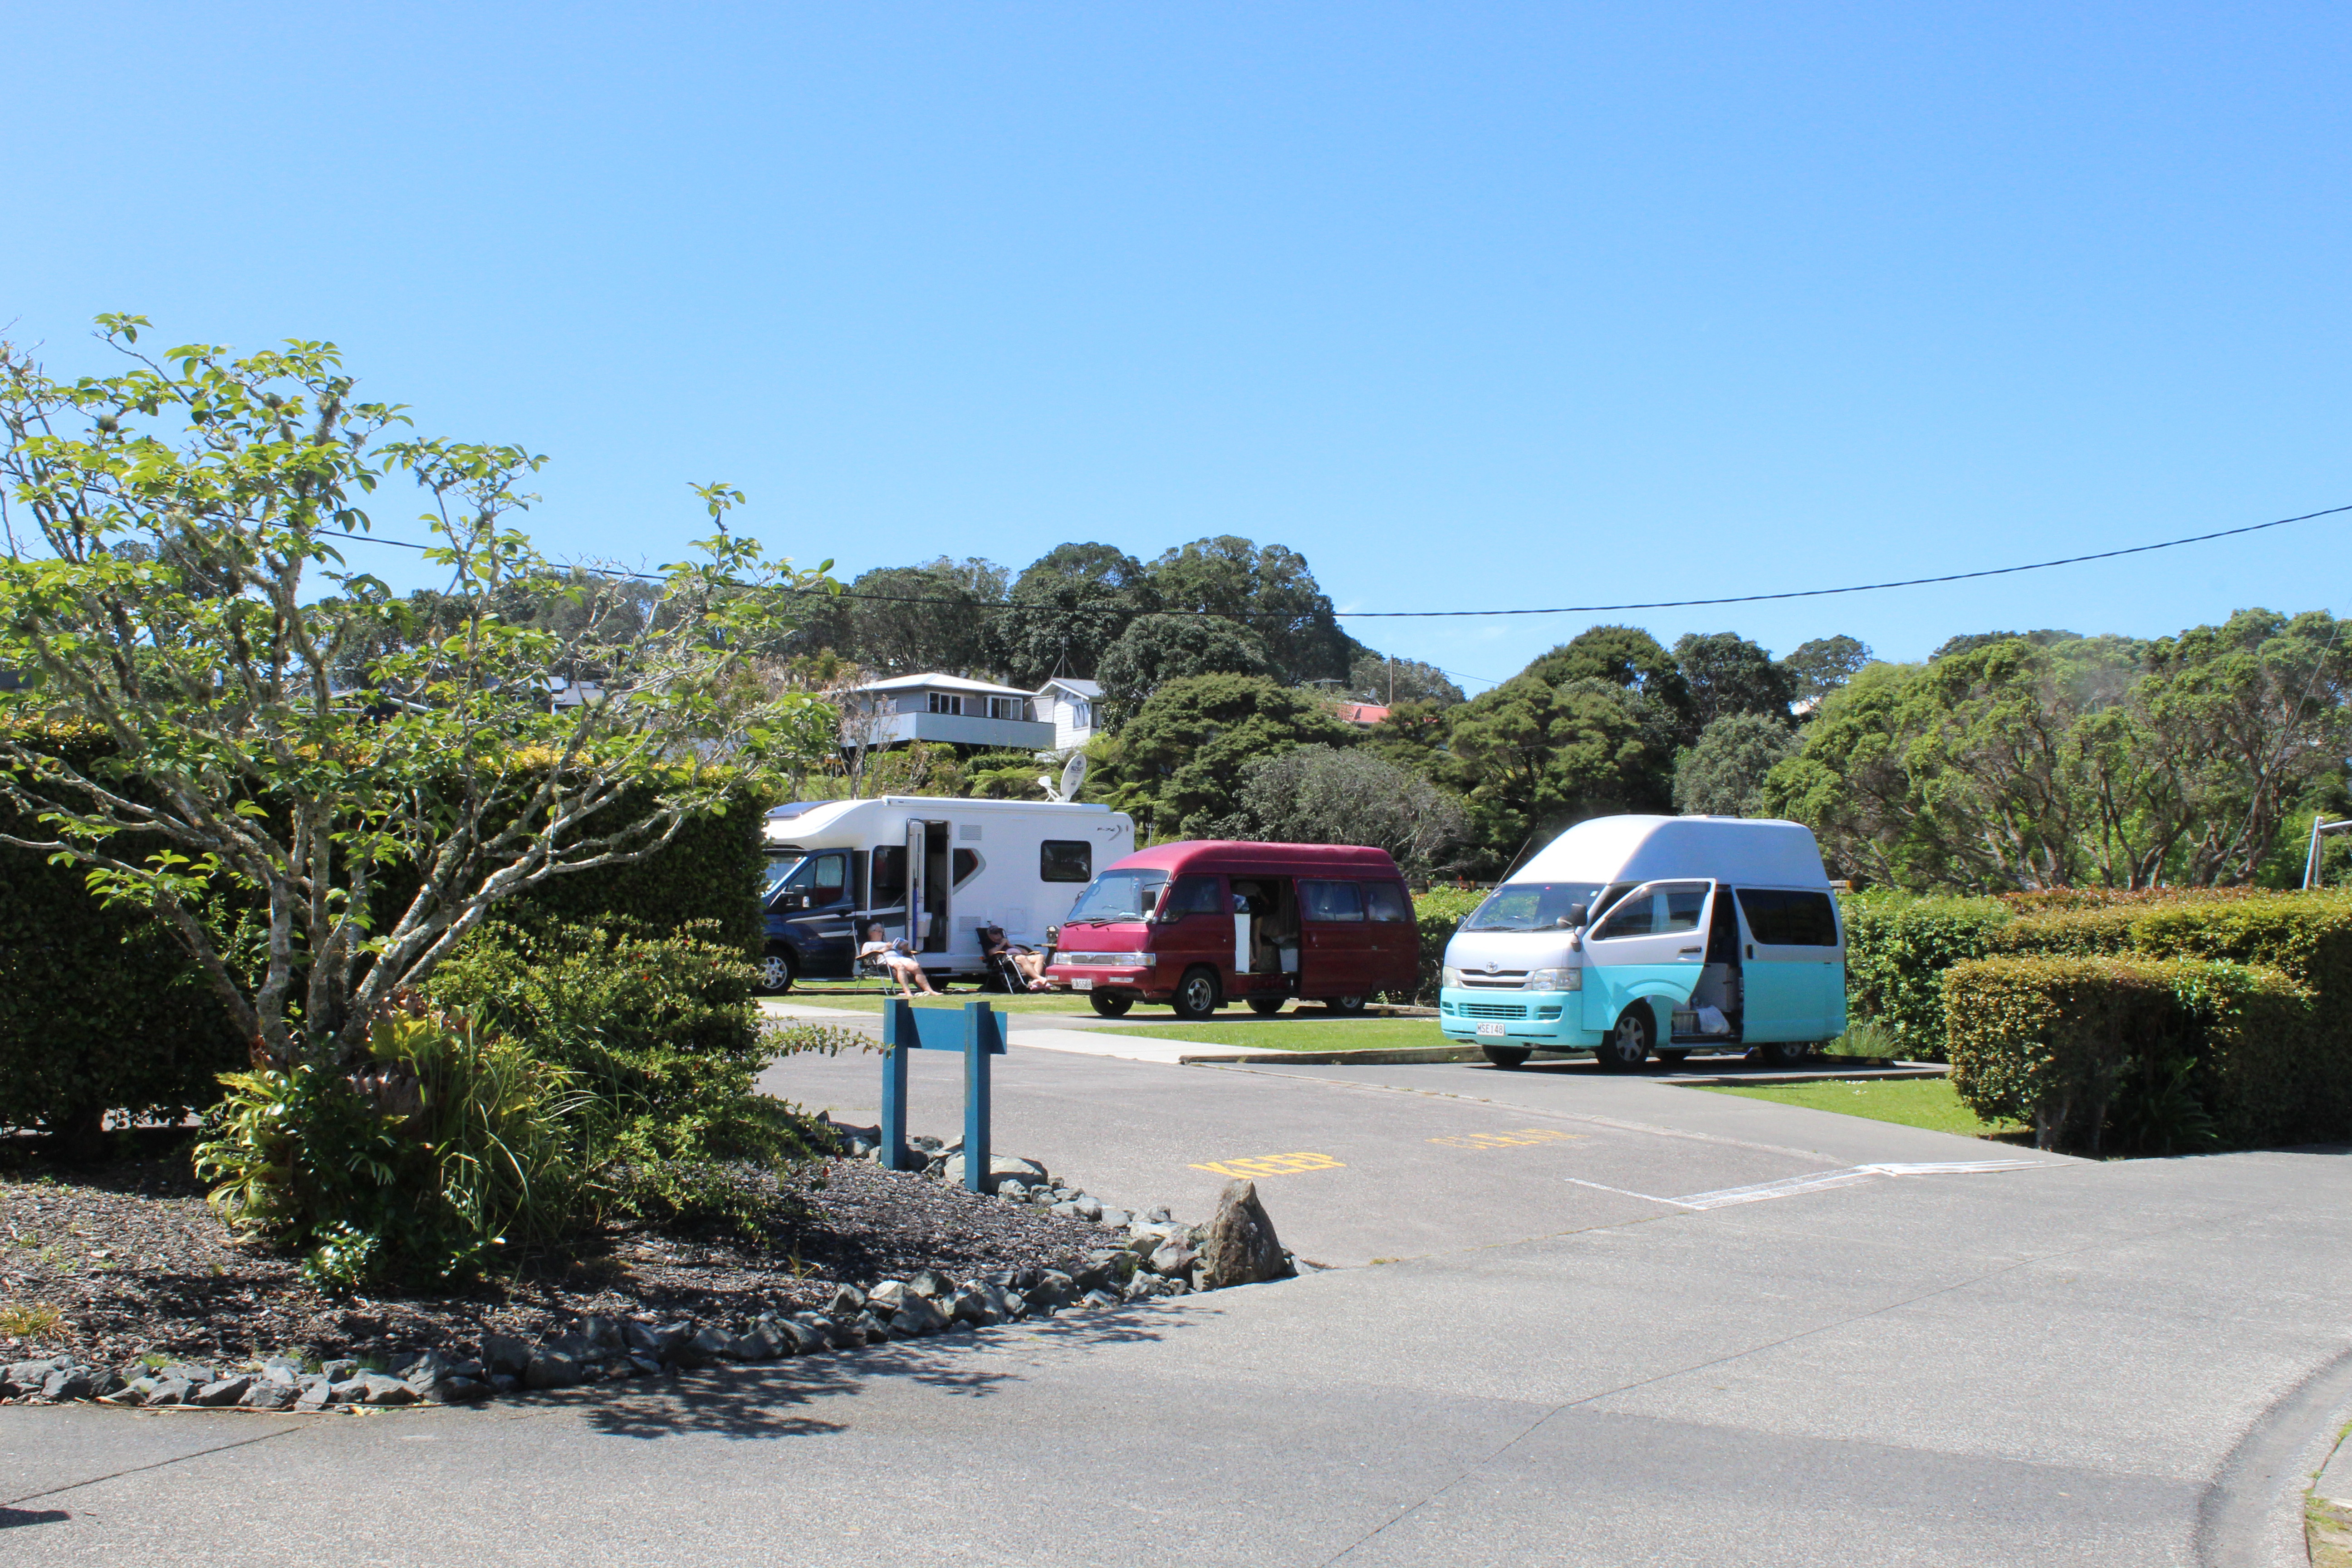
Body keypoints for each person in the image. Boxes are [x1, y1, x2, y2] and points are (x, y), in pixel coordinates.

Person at [858, 924, 939, 996]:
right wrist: (884, 949)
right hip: (885, 960)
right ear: (871, 933)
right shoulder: (868, 944)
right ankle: (908, 992)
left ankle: (930, 991)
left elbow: (900, 953)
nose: (881, 934)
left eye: (882, 932)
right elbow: (865, 956)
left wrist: (903, 949)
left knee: (916, 966)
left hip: (899, 957)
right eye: (879, 931)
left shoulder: (886, 943)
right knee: (900, 967)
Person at [980, 925, 1052, 991]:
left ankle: (1036, 981)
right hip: (1006, 959)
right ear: (990, 935)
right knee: (1022, 958)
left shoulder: (1007, 942)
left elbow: (1026, 952)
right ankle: (1039, 978)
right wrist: (1002, 944)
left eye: (999, 933)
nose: (998, 934)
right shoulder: (990, 944)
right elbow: (992, 953)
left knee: (1040, 957)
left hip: (1018, 956)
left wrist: (1011, 946)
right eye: (995, 933)